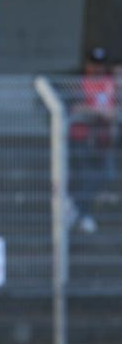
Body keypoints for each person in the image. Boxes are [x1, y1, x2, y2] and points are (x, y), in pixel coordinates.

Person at [68, 47, 117, 234]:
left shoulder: (109, 84)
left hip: (103, 140)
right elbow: (76, 109)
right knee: (83, 176)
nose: (97, 69)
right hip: (82, 137)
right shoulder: (78, 83)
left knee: (103, 176)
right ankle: (81, 214)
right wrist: (97, 112)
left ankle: (78, 210)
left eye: (100, 65)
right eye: (94, 64)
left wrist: (100, 113)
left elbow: (113, 111)